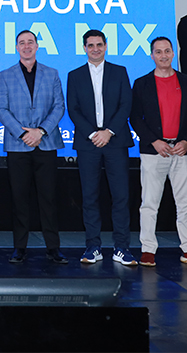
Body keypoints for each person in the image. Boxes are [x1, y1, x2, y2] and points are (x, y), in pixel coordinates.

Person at [129, 37, 187, 268]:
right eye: (158, 52)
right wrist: (154, 141)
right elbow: (135, 117)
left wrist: (186, 141)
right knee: (149, 203)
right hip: (154, 152)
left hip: (183, 151)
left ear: (173, 53)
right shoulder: (141, 83)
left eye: (167, 51)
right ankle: (147, 250)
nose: (163, 55)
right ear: (151, 55)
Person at [0, 30, 68, 264]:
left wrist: (40, 131)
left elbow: (59, 106)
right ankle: (19, 248)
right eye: (22, 43)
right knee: (19, 199)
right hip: (18, 145)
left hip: (46, 144)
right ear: (16, 47)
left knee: (48, 199)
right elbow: (1, 109)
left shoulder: (52, 73)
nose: (26, 46)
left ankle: (53, 248)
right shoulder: (5, 75)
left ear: (37, 46)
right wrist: (22, 133)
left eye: (30, 42)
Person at [66, 29, 137, 266]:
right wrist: (93, 133)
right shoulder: (74, 75)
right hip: (88, 143)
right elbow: (73, 109)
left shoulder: (120, 72)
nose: (95, 48)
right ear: (84, 48)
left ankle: (122, 248)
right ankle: (93, 247)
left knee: (121, 196)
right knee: (90, 197)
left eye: (99, 44)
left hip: (115, 141)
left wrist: (108, 132)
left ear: (106, 46)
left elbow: (126, 104)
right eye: (90, 45)